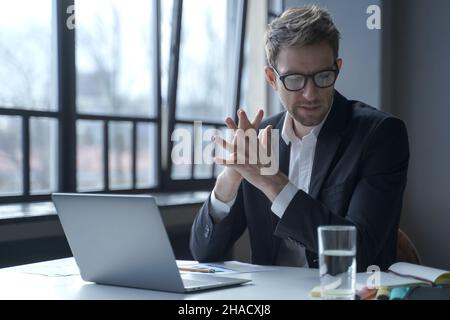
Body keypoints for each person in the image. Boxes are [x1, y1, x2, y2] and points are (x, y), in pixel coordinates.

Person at [189, 5, 409, 272]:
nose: (310, 94)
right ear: (272, 79)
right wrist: (228, 181)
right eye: (294, 79)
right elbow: (204, 253)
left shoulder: (381, 135)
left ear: (337, 69)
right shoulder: (259, 141)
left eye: (323, 76)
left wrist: (273, 183)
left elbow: (358, 252)